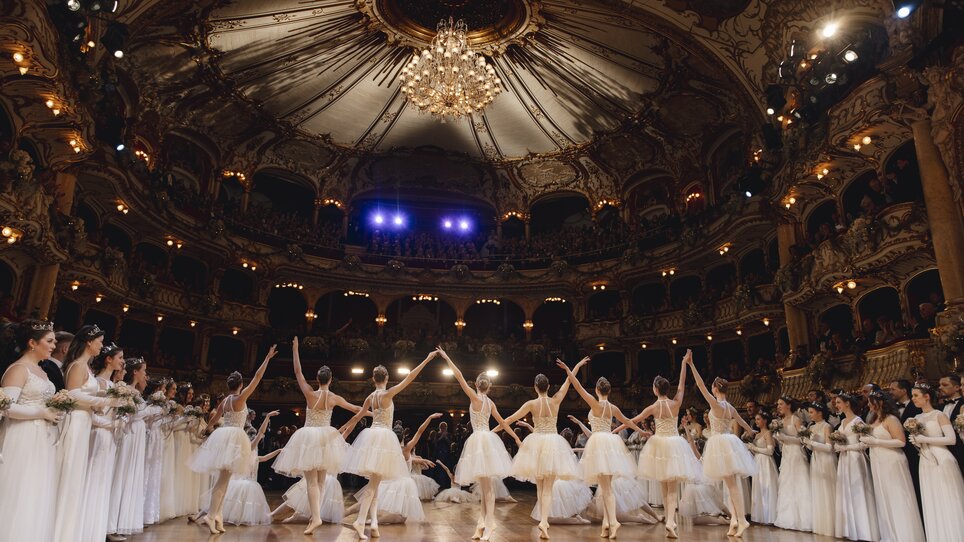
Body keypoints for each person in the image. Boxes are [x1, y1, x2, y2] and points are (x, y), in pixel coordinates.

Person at [340, 349, 439, 540]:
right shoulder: (387, 394)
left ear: (373, 378)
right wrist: (426, 359)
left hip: (372, 438)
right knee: (373, 485)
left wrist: (342, 429)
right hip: (383, 439)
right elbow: (410, 377)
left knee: (376, 486)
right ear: (386, 378)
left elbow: (358, 416)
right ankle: (360, 522)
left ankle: (374, 524)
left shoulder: (370, 397)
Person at [271, 337, 360, 534]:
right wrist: (372, 412)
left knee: (312, 481)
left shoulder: (310, 393)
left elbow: (297, 372)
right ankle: (314, 516)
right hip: (325, 438)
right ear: (331, 379)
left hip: (309, 436)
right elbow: (354, 408)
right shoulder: (334, 397)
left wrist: (295, 349)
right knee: (320, 481)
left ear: (317, 379)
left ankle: (316, 517)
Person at [190, 344, 278, 534]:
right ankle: (211, 514)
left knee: (224, 481)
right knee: (222, 482)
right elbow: (257, 377)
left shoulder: (224, 401)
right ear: (239, 385)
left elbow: (213, 420)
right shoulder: (240, 399)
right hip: (234, 438)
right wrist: (267, 358)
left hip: (224, 438)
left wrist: (207, 430)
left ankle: (218, 516)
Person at [556, 357, 645, 538]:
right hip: (611, 445)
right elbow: (627, 422)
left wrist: (571, 368)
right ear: (609, 391)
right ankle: (606, 523)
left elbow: (578, 387)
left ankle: (613, 521)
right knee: (606, 488)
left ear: (597, 390)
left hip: (598, 443)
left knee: (606, 489)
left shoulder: (595, 404)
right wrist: (641, 431)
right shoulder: (613, 407)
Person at [438, 348, 520, 540]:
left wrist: (447, 356)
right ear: (489, 386)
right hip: (486, 441)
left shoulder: (475, 398)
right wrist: (515, 438)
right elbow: (503, 422)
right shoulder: (490, 403)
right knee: (485, 488)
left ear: (476, 384)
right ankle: (481, 524)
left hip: (478, 441)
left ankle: (490, 525)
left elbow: (458, 376)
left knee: (487, 488)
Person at [618, 351, 700, 538]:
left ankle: (670, 521)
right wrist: (683, 364)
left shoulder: (653, 407)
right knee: (672, 489)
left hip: (659, 446)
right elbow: (682, 385)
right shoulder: (676, 403)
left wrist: (615, 430)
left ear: (655, 390)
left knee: (665, 486)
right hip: (674, 445)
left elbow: (632, 421)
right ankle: (670, 521)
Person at [55, 324, 124, 542]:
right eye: (100, 342)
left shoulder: (86, 368)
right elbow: (73, 395)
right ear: (89, 342)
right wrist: (105, 401)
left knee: (78, 476)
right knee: (71, 474)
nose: (101, 345)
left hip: (86, 421)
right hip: (75, 422)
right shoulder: (76, 366)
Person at [500, 368, 582, 539]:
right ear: (549, 386)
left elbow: (509, 420)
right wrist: (574, 367)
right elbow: (569, 381)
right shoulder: (556, 400)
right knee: (548, 490)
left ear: (535, 387)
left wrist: (492, 429)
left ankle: (542, 521)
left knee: (540, 487)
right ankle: (544, 521)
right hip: (553, 443)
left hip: (537, 443)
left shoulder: (531, 404)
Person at [0, 320, 63, 542]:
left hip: (42, 438)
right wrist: (40, 412)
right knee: (19, 489)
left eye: (54, 341)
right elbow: (5, 407)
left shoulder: (42, 371)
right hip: (22, 436)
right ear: (32, 343)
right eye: (50, 341)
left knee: (36, 491)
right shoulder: (18, 369)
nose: (54, 345)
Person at [686, 356, 757, 538]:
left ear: (716, 389)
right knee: (730, 484)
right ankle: (734, 518)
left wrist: (692, 364)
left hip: (721, 443)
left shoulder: (716, 405)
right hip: (728, 442)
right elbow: (742, 421)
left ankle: (742, 519)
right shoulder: (730, 407)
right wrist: (751, 430)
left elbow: (700, 385)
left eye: (713, 387)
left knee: (732, 486)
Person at [860, 390, 925, 542]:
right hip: (877, 460)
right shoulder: (873, 419)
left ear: (880, 402)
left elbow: (901, 442)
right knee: (883, 495)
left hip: (892, 460)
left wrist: (876, 442)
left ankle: (905, 535)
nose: (868, 405)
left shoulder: (891, 419)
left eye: (871, 402)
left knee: (897, 495)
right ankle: (889, 534)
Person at [199, 411, 280, 526]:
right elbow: (260, 433)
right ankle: (209, 515)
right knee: (224, 495)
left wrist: (278, 451)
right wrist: (267, 417)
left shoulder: (247, 450)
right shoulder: (247, 448)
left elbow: (264, 453)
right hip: (241, 481)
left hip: (239, 480)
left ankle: (210, 515)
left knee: (223, 496)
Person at [80, 343, 127, 542]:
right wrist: (111, 423)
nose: (122, 362)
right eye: (120, 357)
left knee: (105, 481)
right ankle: (86, 529)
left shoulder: (116, 386)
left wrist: (122, 418)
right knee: (94, 479)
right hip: (99, 434)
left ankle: (99, 529)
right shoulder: (98, 382)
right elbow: (92, 414)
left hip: (110, 436)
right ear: (109, 359)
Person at [910, 382, 964, 540]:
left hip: (942, 459)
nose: (913, 399)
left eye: (916, 395)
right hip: (926, 460)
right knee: (932, 498)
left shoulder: (939, 415)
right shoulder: (916, 418)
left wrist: (926, 439)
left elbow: (951, 439)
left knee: (947, 497)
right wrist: (917, 442)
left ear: (926, 397)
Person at [108, 358, 149, 537]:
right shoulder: (127, 391)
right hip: (129, 435)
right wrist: (150, 411)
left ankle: (123, 520)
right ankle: (113, 524)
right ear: (135, 372)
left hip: (137, 435)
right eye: (144, 371)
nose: (146, 375)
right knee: (123, 474)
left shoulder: (136, 392)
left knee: (131, 475)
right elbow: (128, 414)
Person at [832, 392, 879, 541]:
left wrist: (849, 448)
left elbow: (866, 442)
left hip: (856, 459)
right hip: (845, 460)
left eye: (839, 402)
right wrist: (839, 446)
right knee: (846, 489)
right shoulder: (843, 422)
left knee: (857, 490)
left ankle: (862, 529)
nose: (836, 405)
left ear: (847, 403)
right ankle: (849, 528)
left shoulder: (858, 421)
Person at [772, 395, 812, 532]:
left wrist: (786, 438)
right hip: (787, 454)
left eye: (781, 404)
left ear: (788, 405)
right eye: (778, 404)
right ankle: (788, 518)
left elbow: (802, 440)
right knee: (787, 483)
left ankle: (803, 520)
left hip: (796, 453)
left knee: (799, 482)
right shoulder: (780, 421)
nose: (778, 406)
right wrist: (779, 438)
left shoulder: (796, 419)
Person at [802, 401, 836, 537]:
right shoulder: (812, 427)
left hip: (826, 460)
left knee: (827, 490)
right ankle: (821, 524)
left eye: (811, 412)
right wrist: (806, 441)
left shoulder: (827, 426)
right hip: (816, 460)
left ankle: (831, 524)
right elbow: (811, 447)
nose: (809, 415)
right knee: (818, 490)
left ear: (820, 413)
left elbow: (829, 447)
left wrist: (811, 442)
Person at [745, 411, 777, 525]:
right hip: (757, 462)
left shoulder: (768, 433)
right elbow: (757, 451)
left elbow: (770, 451)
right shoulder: (757, 435)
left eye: (759, 419)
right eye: (756, 419)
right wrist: (750, 449)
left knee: (767, 487)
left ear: (765, 420)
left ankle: (769, 516)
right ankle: (760, 516)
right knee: (759, 487)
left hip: (766, 463)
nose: (756, 421)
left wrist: (755, 448)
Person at [938, 374, 964, 477]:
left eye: (944, 385)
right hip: (946, 453)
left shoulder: (962, 404)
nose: (940, 388)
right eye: (939, 385)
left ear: (957, 388)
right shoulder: (939, 408)